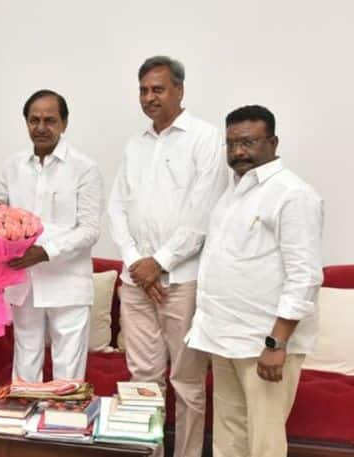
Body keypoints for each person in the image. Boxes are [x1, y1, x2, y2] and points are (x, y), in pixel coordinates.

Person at [186, 105, 323, 457]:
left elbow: (304, 276)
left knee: (264, 444)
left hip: (264, 343)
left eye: (248, 142)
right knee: (228, 437)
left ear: (273, 142)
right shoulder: (233, 193)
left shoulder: (293, 194)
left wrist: (276, 344)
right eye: (231, 144)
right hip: (223, 337)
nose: (238, 152)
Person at [107, 56, 227, 457]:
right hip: (136, 282)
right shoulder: (134, 144)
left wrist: (159, 262)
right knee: (142, 377)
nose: (149, 97)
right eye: (143, 90)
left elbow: (203, 211)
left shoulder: (205, 138)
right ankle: (149, 453)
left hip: (183, 281)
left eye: (157, 89)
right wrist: (136, 264)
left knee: (188, 381)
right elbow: (117, 208)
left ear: (179, 90)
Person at [0, 89, 104, 383]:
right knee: (25, 365)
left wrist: (45, 251)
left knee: (68, 372)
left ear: (64, 124)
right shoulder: (13, 165)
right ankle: (23, 426)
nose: (41, 128)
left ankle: (64, 427)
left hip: (67, 283)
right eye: (34, 120)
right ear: (26, 122)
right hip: (24, 282)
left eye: (50, 120)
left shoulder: (84, 168)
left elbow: (90, 230)